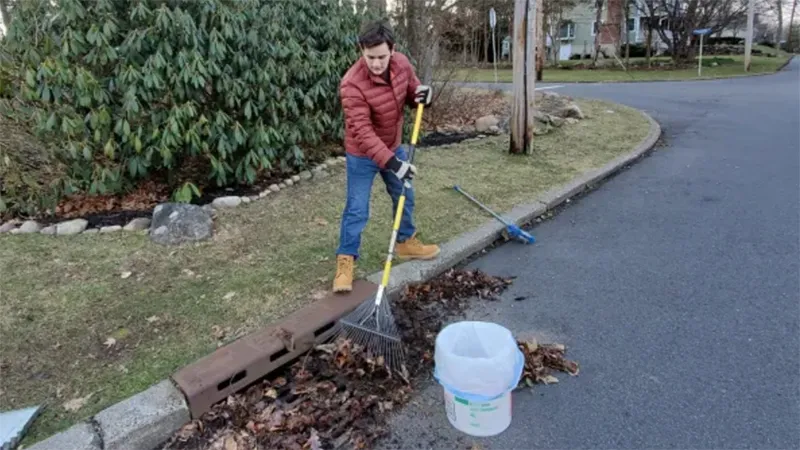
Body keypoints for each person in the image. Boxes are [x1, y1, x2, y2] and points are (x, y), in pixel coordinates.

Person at [332, 20, 440, 293]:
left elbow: (412, 93)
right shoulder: (351, 84)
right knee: (357, 208)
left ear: (392, 50)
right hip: (363, 154)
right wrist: (394, 164)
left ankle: (405, 242)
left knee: (405, 193)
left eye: (381, 56)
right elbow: (363, 133)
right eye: (370, 58)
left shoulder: (402, 64)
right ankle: (345, 261)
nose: (377, 63)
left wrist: (423, 96)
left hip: (392, 145)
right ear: (361, 51)